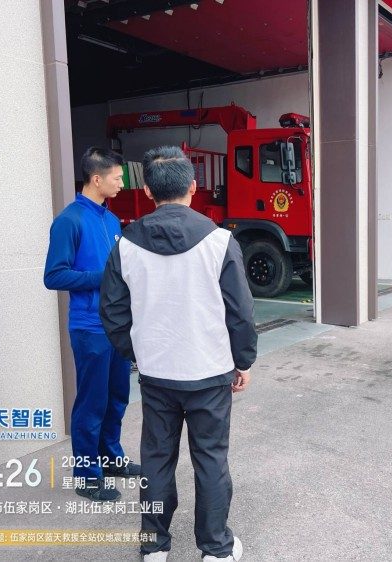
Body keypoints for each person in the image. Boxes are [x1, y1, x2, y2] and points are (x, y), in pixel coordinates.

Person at [100, 145, 257, 562]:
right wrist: (243, 361)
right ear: (193, 187)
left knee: (156, 459)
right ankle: (216, 548)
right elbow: (240, 311)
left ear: (148, 191)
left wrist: (137, 352)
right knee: (210, 459)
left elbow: (112, 312)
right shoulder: (220, 241)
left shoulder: (125, 245)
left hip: (157, 375)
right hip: (209, 372)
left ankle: (154, 545)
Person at [44, 147, 141, 502]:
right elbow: (53, 276)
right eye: (117, 177)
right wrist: (103, 277)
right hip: (89, 327)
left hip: (116, 326)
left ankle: (110, 458)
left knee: (117, 396)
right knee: (91, 403)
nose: (121, 183)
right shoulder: (69, 221)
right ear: (97, 179)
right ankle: (87, 476)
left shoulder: (111, 220)